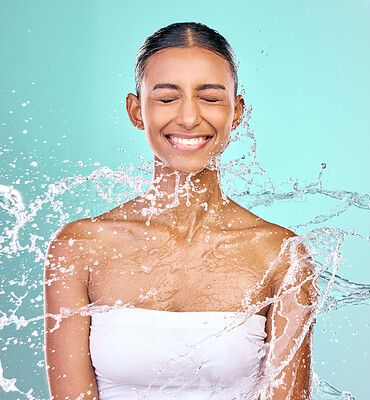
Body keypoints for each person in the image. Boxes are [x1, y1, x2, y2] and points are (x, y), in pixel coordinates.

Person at [44, 22, 317, 400]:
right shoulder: (79, 248)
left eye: (210, 97)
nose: (189, 118)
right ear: (136, 110)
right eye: (167, 98)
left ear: (236, 112)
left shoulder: (281, 255)